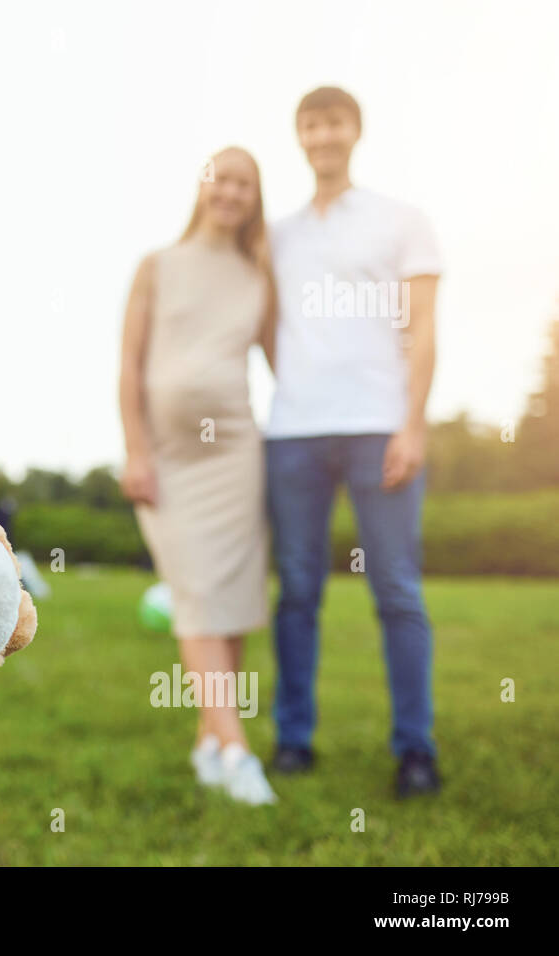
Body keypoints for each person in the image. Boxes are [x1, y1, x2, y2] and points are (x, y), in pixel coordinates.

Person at [265, 87, 442, 798]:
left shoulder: (403, 220)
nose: (322, 135)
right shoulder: (277, 234)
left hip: (380, 428)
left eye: (333, 122)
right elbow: (266, 326)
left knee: (396, 587)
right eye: (310, 123)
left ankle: (415, 750)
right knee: (298, 592)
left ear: (355, 131)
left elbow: (424, 327)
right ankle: (293, 742)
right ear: (300, 137)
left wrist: (413, 421)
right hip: (294, 433)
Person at [119, 147, 279, 805]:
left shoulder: (258, 275)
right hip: (171, 458)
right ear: (203, 187)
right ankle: (238, 750)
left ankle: (211, 740)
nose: (232, 193)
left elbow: (282, 361)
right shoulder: (158, 266)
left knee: (232, 596)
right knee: (196, 590)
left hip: (237, 451)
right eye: (223, 179)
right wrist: (136, 449)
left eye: (245, 183)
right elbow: (129, 365)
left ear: (255, 196)